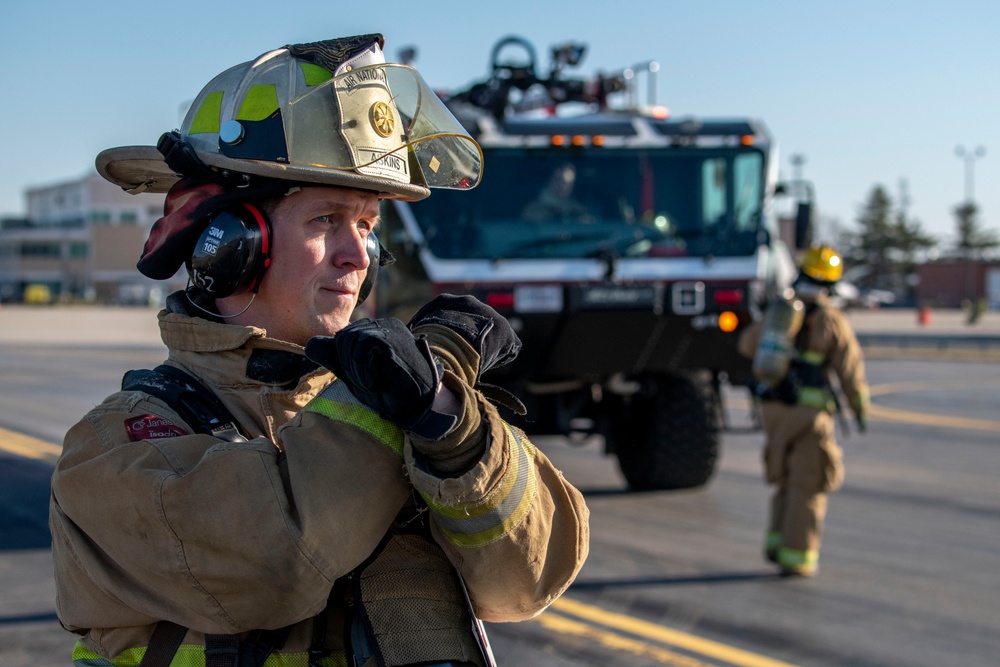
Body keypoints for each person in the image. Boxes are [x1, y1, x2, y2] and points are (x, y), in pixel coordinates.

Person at [49, 34, 590, 667]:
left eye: (366, 225)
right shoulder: (117, 443)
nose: (358, 255)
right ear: (230, 241)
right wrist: (394, 398)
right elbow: (273, 561)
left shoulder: (414, 402)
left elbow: (529, 579)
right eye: (326, 220)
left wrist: (453, 424)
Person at [737, 245, 868, 577]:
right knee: (808, 485)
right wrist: (859, 406)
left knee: (785, 479)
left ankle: (776, 541)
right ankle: (798, 558)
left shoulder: (780, 312)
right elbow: (849, 369)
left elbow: (746, 346)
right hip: (809, 416)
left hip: (773, 411)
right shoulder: (830, 319)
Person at [520, 163, 594, 223]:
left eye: (568, 180)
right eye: (557, 178)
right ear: (549, 180)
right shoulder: (533, 209)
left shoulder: (578, 208)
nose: (561, 184)